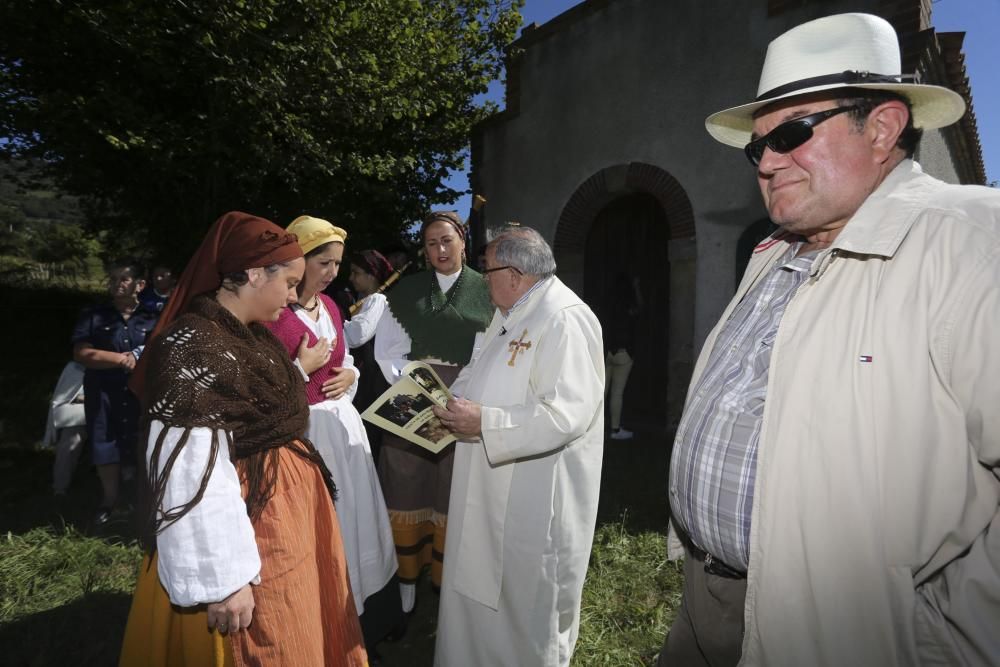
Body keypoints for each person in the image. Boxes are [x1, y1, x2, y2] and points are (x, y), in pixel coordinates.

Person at [661, 13, 1000, 666]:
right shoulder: (773, 249)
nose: (766, 161)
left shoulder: (972, 243)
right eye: (754, 147)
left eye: (790, 133)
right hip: (709, 602)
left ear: (882, 128)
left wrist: (944, 631)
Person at [118, 211, 366, 666]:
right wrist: (225, 578)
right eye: (289, 282)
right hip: (254, 518)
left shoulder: (250, 336)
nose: (294, 294)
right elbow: (193, 471)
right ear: (254, 274)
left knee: (307, 619)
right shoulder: (195, 347)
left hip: (289, 507)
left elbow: (261, 401)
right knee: (276, 634)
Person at [431, 226, 604, 666]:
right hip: (485, 480)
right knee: (476, 590)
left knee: (524, 603)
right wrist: (447, 405)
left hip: (533, 490)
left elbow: (567, 414)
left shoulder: (564, 317)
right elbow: (478, 370)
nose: (482, 279)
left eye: (486, 270)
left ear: (513, 273)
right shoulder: (510, 312)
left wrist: (486, 422)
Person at [264, 216, 401, 658]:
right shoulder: (273, 314)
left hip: (345, 427)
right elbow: (262, 381)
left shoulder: (332, 306)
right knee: (326, 522)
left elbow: (344, 358)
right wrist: (299, 370)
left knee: (359, 515)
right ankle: (328, 620)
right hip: (306, 431)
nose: (332, 272)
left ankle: (371, 616)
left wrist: (351, 375)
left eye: (338, 264)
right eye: (324, 262)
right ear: (298, 260)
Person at [373, 210, 493, 615]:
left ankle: (448, 583)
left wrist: (454, 395)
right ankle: (407, 579)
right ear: (423, 250)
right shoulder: (405, 292)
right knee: (406, 481)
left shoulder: (487, 289)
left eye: (447, 240)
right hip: (409, 394)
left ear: (462, 240)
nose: (440, 249)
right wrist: (413, 384)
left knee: (452, 488)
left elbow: (488, 351)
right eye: (430, 243)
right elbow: (387, 348)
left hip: (462, 397)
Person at [72, 258, 158, 525]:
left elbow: (160, 351)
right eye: (113, 279)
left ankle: (140, 501)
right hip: (104, 392)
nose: (117, 284)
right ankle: (109, 500)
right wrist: (122, 359)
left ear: (140, 285)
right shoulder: (94, 315)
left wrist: (140, 359)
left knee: (141, 443)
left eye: (124, 278)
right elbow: (82, 353)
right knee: (105, 443)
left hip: (139, 394)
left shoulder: (153, 318)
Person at [345, 249, 397, 465]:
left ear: (372, 275)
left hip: (371, 380)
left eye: (356, 272)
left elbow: (356, 335)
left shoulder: (377, 300)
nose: (351, 278)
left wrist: (330, 324)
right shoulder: (365, 300)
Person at [602, 271, 642, 440]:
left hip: (607, 351)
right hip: (624, 352)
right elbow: (640, 309)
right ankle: (615, 429)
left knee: (601, 392)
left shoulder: (607, 304)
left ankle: (593, 429)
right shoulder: (629, 305)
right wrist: (637, 287)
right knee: (617, 393)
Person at [42, 360, 87, 496]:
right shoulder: (76, 367)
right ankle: (60, 487)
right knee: (70, 441)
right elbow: (66, 397)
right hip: (80, 411)